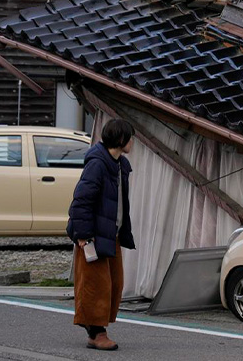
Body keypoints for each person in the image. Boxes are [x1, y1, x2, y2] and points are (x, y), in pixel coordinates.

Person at [68, 118, 136, 351]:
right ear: (121, 139)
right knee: (96, 285)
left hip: (111, 233)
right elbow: (81, 201)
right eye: (130, 138)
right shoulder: (98, 164)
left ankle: (96, 330)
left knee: (114, 284)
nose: (132, 142)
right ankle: (97, 334)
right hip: (93, 235)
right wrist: (84, 236)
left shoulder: (119, 164)